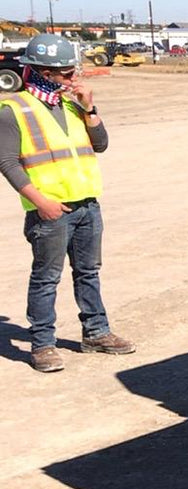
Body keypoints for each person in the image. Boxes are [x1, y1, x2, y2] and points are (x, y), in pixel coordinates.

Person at [0, 34, 134, 372]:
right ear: (44, 72)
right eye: (66, 74)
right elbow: (7, 162)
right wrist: (40, 201)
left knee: (89, 272)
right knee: (46, 278)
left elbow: (100, 144)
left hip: (88, 205)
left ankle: (96, 333)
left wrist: (90, 109)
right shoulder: (14, 109)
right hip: (51, 212)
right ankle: (42, 344)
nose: (74, 79)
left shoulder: (72, 105)